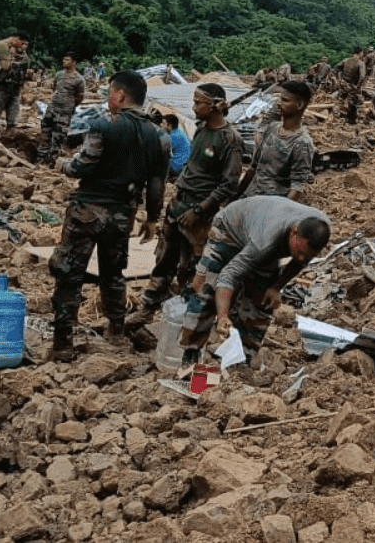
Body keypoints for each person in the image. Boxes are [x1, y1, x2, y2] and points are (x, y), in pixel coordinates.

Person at [50, 71, 170, 360]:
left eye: (109, 93)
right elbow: (157, 184)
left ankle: (63, 343)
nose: (108, 99)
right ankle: (116, 333)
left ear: (119, 95)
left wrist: (61, 164)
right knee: (114, 274)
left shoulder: (103, 125)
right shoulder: (160, 136)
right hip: (122, 214)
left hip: (87, 210)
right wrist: (152, 218)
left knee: (69, 273)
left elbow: (83, 166)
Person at [130, 83, 244, 325]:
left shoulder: (230, 140)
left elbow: (228, 185)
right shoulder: (201, 129)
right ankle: (147, 309)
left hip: (199, 215)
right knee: (164, 261)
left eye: (198, 102)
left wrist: (200, 210)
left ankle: (185, 320)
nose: (193, 107)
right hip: (178, 206)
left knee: (191, 271)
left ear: (215, 105)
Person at [195, 196, 333, 365]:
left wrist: (276, 287)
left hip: (266, 233)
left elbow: (300, 261)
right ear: (294, 232)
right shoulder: (264, 241)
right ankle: (189, 354)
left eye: (309, 256)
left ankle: (241, 359)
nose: (302, 257)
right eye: (300, 251)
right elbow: (229, 275)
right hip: (230, 228)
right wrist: (222, 315)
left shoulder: (320, 229)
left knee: (262, 300)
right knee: (207, 293)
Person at [240, 80, 315, 201]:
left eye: (285, 100)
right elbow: (253, 168)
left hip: (271, 203)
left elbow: (297, 186)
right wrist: (235, 197)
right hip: (250, 196)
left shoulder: (302, 143)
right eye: (280, 99)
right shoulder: (272, 128)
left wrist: (278, 212)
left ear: (300, 105)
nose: (279, 103)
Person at [37, 52, 88, 164]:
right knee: (45, 133)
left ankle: (51, 162)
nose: (64, 62)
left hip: (65, 111)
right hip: (52, 108)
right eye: (64, 59)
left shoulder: (79, 79)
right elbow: (54, 87)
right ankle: (40, 159)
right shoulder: (59, 74)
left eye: (67, 60)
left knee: (58, 137)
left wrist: (70, 105)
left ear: (74, 62)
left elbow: (79, 96)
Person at [0, 36, 30, 129]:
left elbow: (24, 73)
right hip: (2, 87)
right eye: (23, 43)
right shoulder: (8, 52)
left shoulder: (25, 58)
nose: (24, 46)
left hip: (15, 89)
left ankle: (10, 133)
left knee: (13, 118)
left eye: (26, 44)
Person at [163, 114, 192, 180]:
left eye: (163, 123)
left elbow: (162, 152)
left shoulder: (172, 137)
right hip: (184, 165)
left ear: (169, 125)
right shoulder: (179, 132)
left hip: (177, 167)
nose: (162, 125)